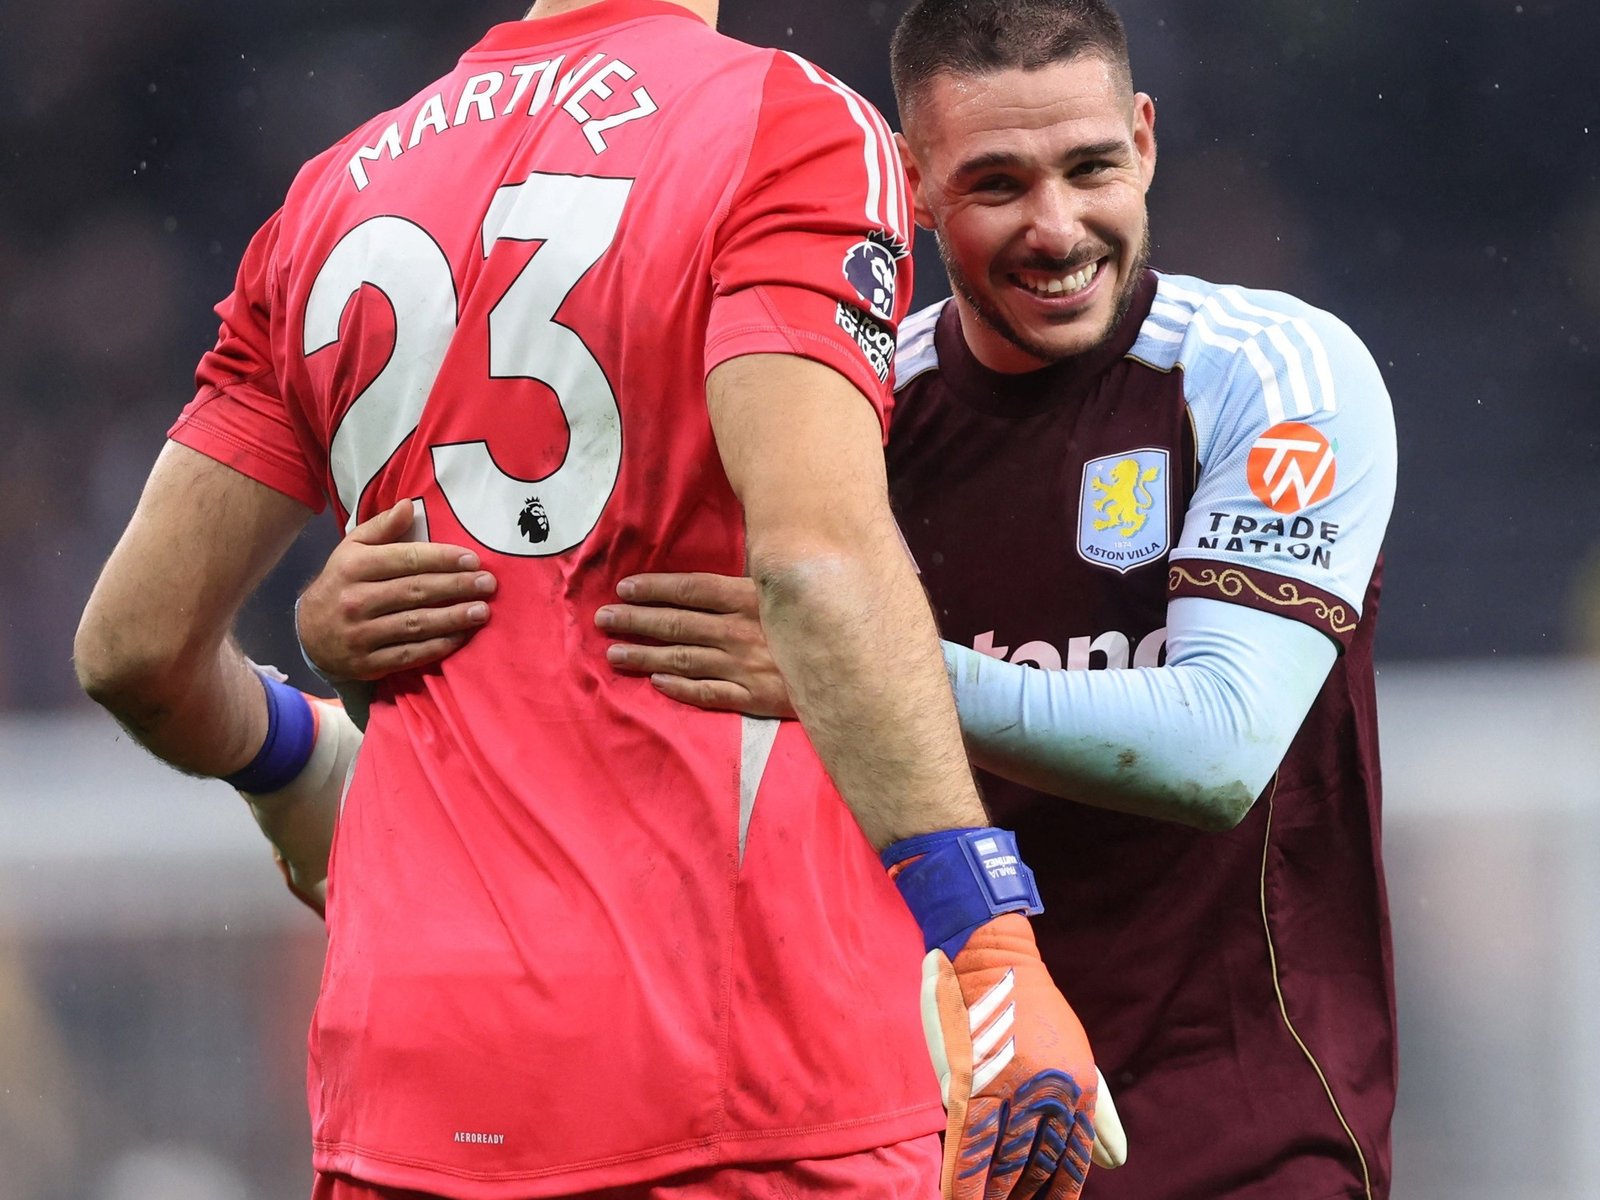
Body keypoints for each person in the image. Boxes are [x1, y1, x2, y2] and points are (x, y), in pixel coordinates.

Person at [299, 1, 1399, 1197]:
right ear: (910, 186)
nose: (1055, 227)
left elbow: (1218, 749)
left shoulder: (1266, 372)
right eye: (996, 184)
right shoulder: (838, 409)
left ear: (1143, 141)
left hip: (1237, 1130)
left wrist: (849, 663)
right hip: (929, 1128)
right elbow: (607, 648)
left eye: (1089, 168)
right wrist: (343, 640)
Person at [72, 1, 1123, 1198]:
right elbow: (814, 565)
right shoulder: (785, 122)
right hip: (737, 1075)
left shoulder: (334, 191)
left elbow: (134, 648)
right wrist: (989, 944)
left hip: (408, 1085)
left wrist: (299, 763)